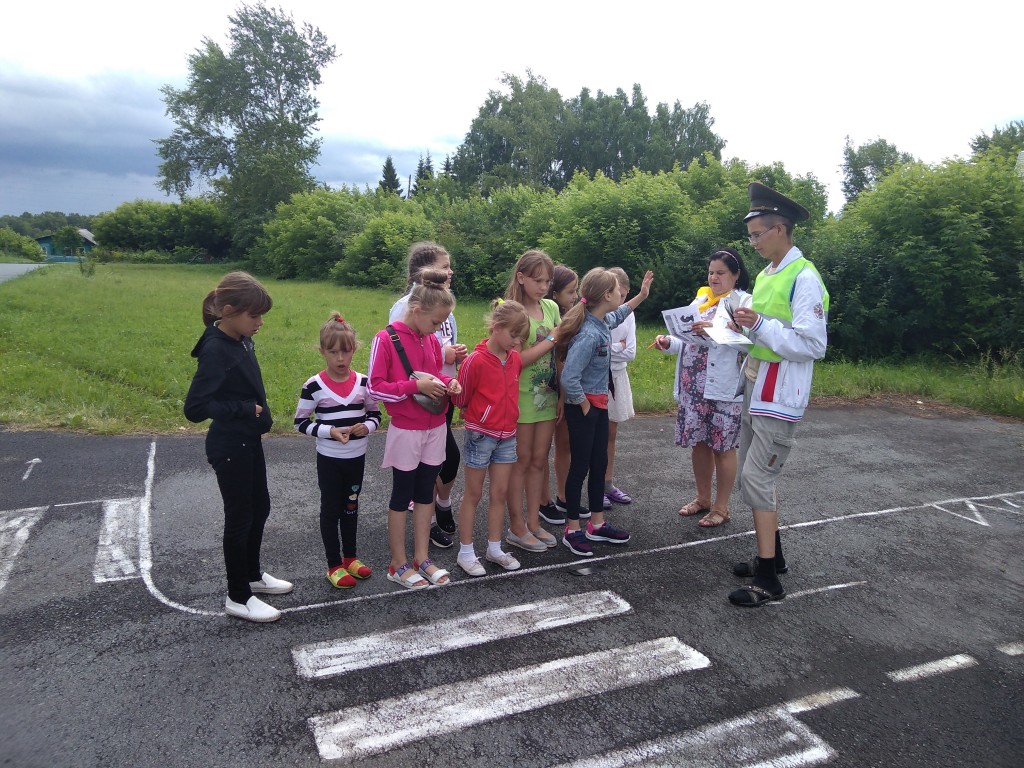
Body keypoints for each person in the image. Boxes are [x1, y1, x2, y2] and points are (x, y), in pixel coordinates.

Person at [726, 182, 829, 607]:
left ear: (780, 229)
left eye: (757, 234)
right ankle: (774, 556)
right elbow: (762, 329)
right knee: (755, 477)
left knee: (757, 478)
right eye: (750, 235)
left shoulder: (804, 278)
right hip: (756, 383)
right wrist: (737, 327)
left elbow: (813, 344)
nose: (752, 242)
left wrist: (758, 325)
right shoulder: (769, 274)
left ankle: (768, 579)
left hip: (779, 393)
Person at [184, 271, 291, 623]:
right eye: (254, 315)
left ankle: (251, 575)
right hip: (229, 446)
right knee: (240, 517)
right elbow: (195, 408)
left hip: (248, 440)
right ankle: (238, 596)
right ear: (229, 311)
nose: (260, 322)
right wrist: (244, 409)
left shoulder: (241, 338)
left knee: (260, 507)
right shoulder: (216, 349)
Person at [370, 269, 462, 589]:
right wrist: (414, 386)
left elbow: (434, 374)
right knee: (402, 494)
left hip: (435, 426)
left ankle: (422, 558)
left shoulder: (431, 340)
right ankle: (397, 564)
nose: (438, 330)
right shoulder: (386, 339)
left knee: (425, 493)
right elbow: (375, 388)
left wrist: (449, 382)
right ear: (417, 310)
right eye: (436, 322)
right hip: (407, 429)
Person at [555, 266, 655, 556]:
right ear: (606, 295)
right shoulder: (589, 334)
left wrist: (642, 295)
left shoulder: (601, 320)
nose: (621, 294)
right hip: (585, 408)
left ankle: (596, 524)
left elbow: (621, 313)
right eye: (617, 290)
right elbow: (569, 378)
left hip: (598, 405)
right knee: (580, 468)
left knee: (599, 463)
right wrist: (584, 405)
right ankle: (572, 529)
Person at [654, 248, 751, 528]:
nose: (713, 278)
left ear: (736, 275)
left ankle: (722, 507)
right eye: (711, 272)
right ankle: (702, 498)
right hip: (693, 386)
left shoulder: (744, 303)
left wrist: (715, 329)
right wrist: (668, 342)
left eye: (721, 273)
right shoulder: (701, 299)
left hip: (723, 388)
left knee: (722, 447)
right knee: (699, 443)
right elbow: (686, 338)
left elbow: (750, 342)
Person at [293, 312, 381, 589]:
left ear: (354, 349)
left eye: (346, 351)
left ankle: (350, 558)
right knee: (331, 510)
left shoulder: (364, 383)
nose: (341, 358)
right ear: (322, 351)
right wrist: (329, 431)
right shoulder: (313, 386)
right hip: (330, 460)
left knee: (351, 506)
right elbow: (300, 423)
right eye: (333, 352)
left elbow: (376, 415)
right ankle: (334, 564)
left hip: (356, 459)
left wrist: (367, 427)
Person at [388, 242, 467, 549]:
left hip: (442, 393)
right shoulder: (406, 306)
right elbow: (400, 354)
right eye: (444, 266)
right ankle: (431, 516)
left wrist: (454, 359)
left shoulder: (446, 304)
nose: (450, 271)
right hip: (418, 399)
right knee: (435, 462)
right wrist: (441, 358)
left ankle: (438, 507)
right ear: (426, 271)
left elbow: (444, 345)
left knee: (438, 459)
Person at [450, 300, 531, 576]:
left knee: (499, 492)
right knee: (473, 493)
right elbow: (461, 397)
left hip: (507, 435)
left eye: (521, 338)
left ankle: (494, 548)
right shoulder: (474, 360)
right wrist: (478, 413)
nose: (516, 342)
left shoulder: (515, 359)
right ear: (496, 327)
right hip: (480, 435)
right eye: (513, 335)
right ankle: (466, 552)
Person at [503, 250, 562, 553]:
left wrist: (562, 393)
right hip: (521, 397)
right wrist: (551, 339)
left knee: (540, 460)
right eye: (538, 280)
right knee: (521, 461)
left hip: (548, 396)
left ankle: (534, 522)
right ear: (521, 277)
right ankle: (516, 526)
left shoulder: (551, 307)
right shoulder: (511, 313)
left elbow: (559, 353)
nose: (543, 286)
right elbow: (515, 361)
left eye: (548, 281)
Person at [539, 265, 578, 525]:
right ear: (554, 294)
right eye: (571, 292)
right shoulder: (547, 318)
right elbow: (558, 357)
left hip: (564, 389)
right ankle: (543, 501)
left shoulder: (575, 317)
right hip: (544, 389)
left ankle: (564, 496)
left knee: (565, 445)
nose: (575, 296)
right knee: (541, 450)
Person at [604, 267, 637, 509]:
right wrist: (618, 346)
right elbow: (595, 350)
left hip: (617, 377)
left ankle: (607, 484)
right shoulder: (596, 313)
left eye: (624, 295)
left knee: (610, 435)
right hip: (598, 379)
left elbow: (631, 352)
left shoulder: (628, 314)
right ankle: (594, 486)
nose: (620, 300)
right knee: (595, 437)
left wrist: (611, 348)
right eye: (617, 293)